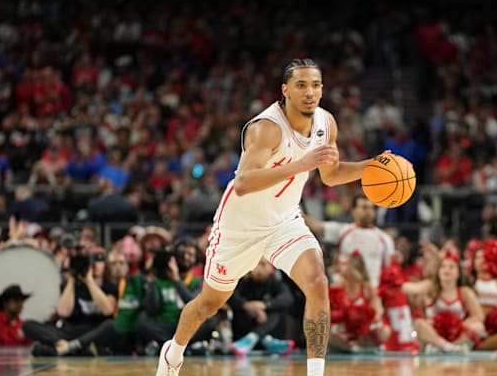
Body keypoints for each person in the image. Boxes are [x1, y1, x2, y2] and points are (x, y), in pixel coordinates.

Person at [156, 58, 380, 376]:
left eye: (315, 85)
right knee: (209, 303)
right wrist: (303, 164)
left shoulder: (326, 124)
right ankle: (173, 352)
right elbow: (244, 182)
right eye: (301, 85)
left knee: (318, 281)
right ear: (285, 90)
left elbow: (330, 175)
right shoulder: (267, 129)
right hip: (239, 227)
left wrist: (372, 166)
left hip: (284, 221)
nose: (309, 92)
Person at [402, 252, 485, 353]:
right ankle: (445, 346)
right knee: (419, 323)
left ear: (458, 273)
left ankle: (451, 347)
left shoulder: (465, 292)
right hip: (434, 331)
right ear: (438, 271)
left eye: (451, 267)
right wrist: (394, 282)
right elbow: (410, 288)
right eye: (443, 267)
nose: (447, 270)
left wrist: (458, 325)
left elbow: (479, 316)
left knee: (478, 326)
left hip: (457, 333)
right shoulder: (430, 286)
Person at [305, 194, 395, 287]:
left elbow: (389, 268)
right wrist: (295, 210)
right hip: (345, 289)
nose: (369, 211)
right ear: (354, 211)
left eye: (371, 208)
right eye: (364, 207)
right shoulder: (343, 231)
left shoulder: (384, 238)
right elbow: (315, 226)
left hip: (373, 288)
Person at [228, 258, 295, 356]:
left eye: (263, 264)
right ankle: (263, 339)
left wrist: (265, 305)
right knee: (239, 308)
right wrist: (247, 306)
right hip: (244, 330)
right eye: (255, 264)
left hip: (271, 330)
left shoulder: (276, 283)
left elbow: (288, 298)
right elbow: (231, 297)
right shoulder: (243, 282)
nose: (259, 268)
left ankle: (254, 337)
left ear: (270, 267)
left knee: (278, 309)